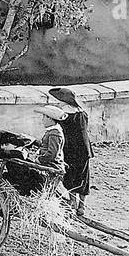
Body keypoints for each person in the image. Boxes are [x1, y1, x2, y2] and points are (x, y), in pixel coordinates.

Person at [49, 88, 92, 217]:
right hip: (84, 149)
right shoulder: (82, 113)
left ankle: (72, 202)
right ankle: (81, 206)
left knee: (70, 176)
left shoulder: (64, 115)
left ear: (64, 101)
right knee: (83, 176)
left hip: (70, 149)